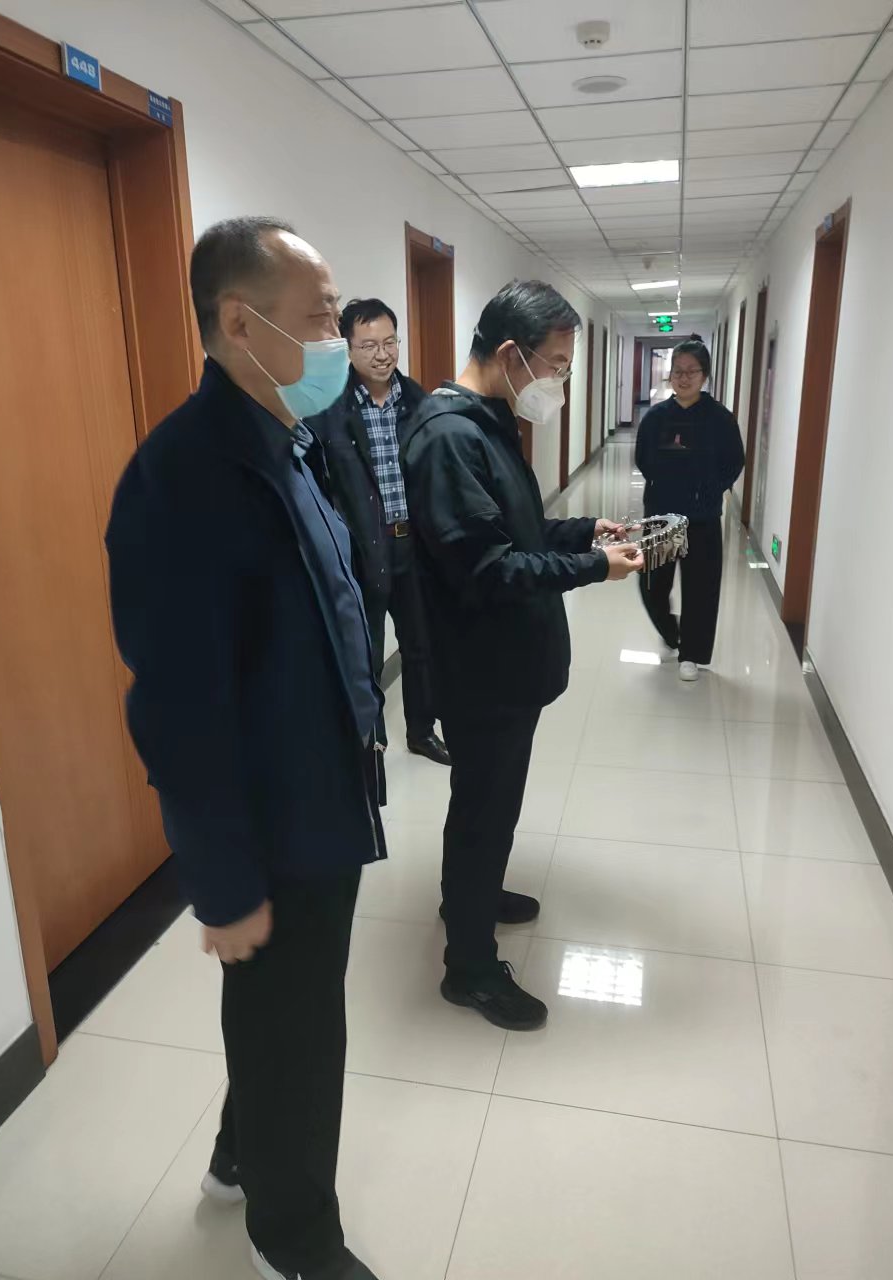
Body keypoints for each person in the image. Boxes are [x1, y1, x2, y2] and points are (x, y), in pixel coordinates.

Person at [106, 217, 384, 1280]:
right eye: (321, 318)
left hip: (323, 791)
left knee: (280, 1008)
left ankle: (237, 1153)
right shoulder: (181, 480)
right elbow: (179, 715)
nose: (339, 341)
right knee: (300, 1031)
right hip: (276, 823)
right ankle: (295, 1237)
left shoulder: (290, 440)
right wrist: (221, 887)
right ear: (240, 322)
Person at [402, 280, 644, 1032]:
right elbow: (487, 570)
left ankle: (470, 899)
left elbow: (516, 531)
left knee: (492, 804)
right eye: (556, 365)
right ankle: (470, 969)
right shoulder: (448, 438)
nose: (559, 382)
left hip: (507, 667)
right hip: (483, 672)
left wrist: (582, 533)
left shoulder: (488, 423)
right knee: (483, 809)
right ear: (511, 355)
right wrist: (593, 568)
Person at [309, 298, 448, 765]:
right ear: (348, 349)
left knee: (421, 643)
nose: (382, 354)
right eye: (369, 345)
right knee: (365, 649)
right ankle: (371, 738)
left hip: (414, 542)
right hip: (361, 548)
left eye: (390, 342)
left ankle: (421, 731)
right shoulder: (328, 409)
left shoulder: (420, 402)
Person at [635, 337, 745, 682]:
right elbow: (643, 459)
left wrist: (709, 489)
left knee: (701, 589)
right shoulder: (656, 418)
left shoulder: (720, 419)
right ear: (670, 375)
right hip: (662, 516)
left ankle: (692, 654)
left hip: (702, 518)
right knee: (652, 585)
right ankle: (672, 633)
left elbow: (734, 461)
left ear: (705, 375)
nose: (683, 378)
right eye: (678, 371)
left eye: (691, 371)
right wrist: (665, 486)